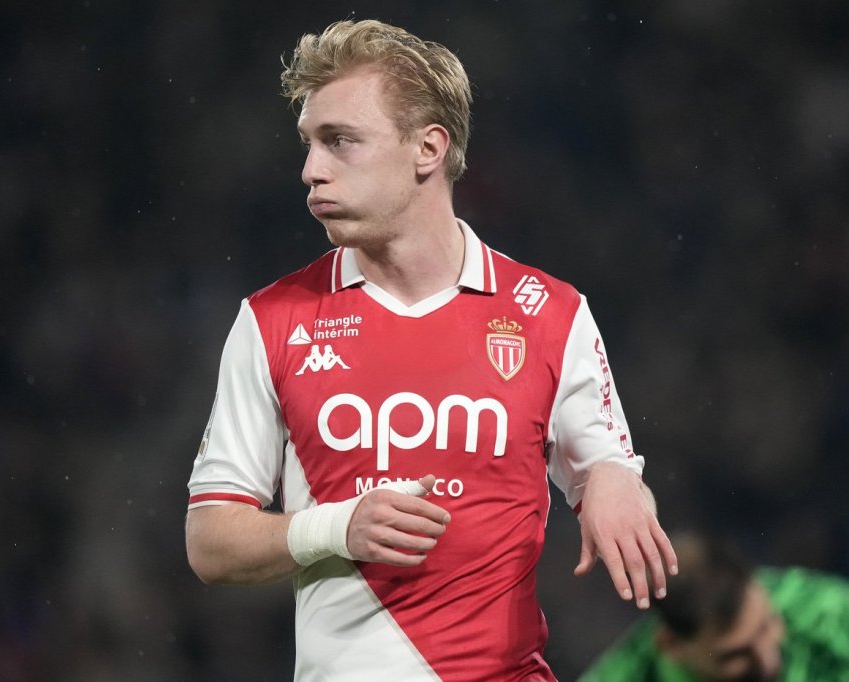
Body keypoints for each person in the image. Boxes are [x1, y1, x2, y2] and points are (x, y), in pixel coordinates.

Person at [185, 19, 677, 681]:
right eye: (309, 144)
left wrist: (616, 479)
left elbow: (608, 475)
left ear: (428, 148)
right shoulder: (272, 321)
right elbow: (210, 540)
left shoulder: (550, 314)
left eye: (340, 141)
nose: (310, 170)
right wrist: (336, 528)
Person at [579, 531, 849, 682]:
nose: (768, 660)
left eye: (766, 625)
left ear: (757, 584)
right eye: (735, 655)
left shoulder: (831, 615)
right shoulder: (625, 676)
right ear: (670, 645)